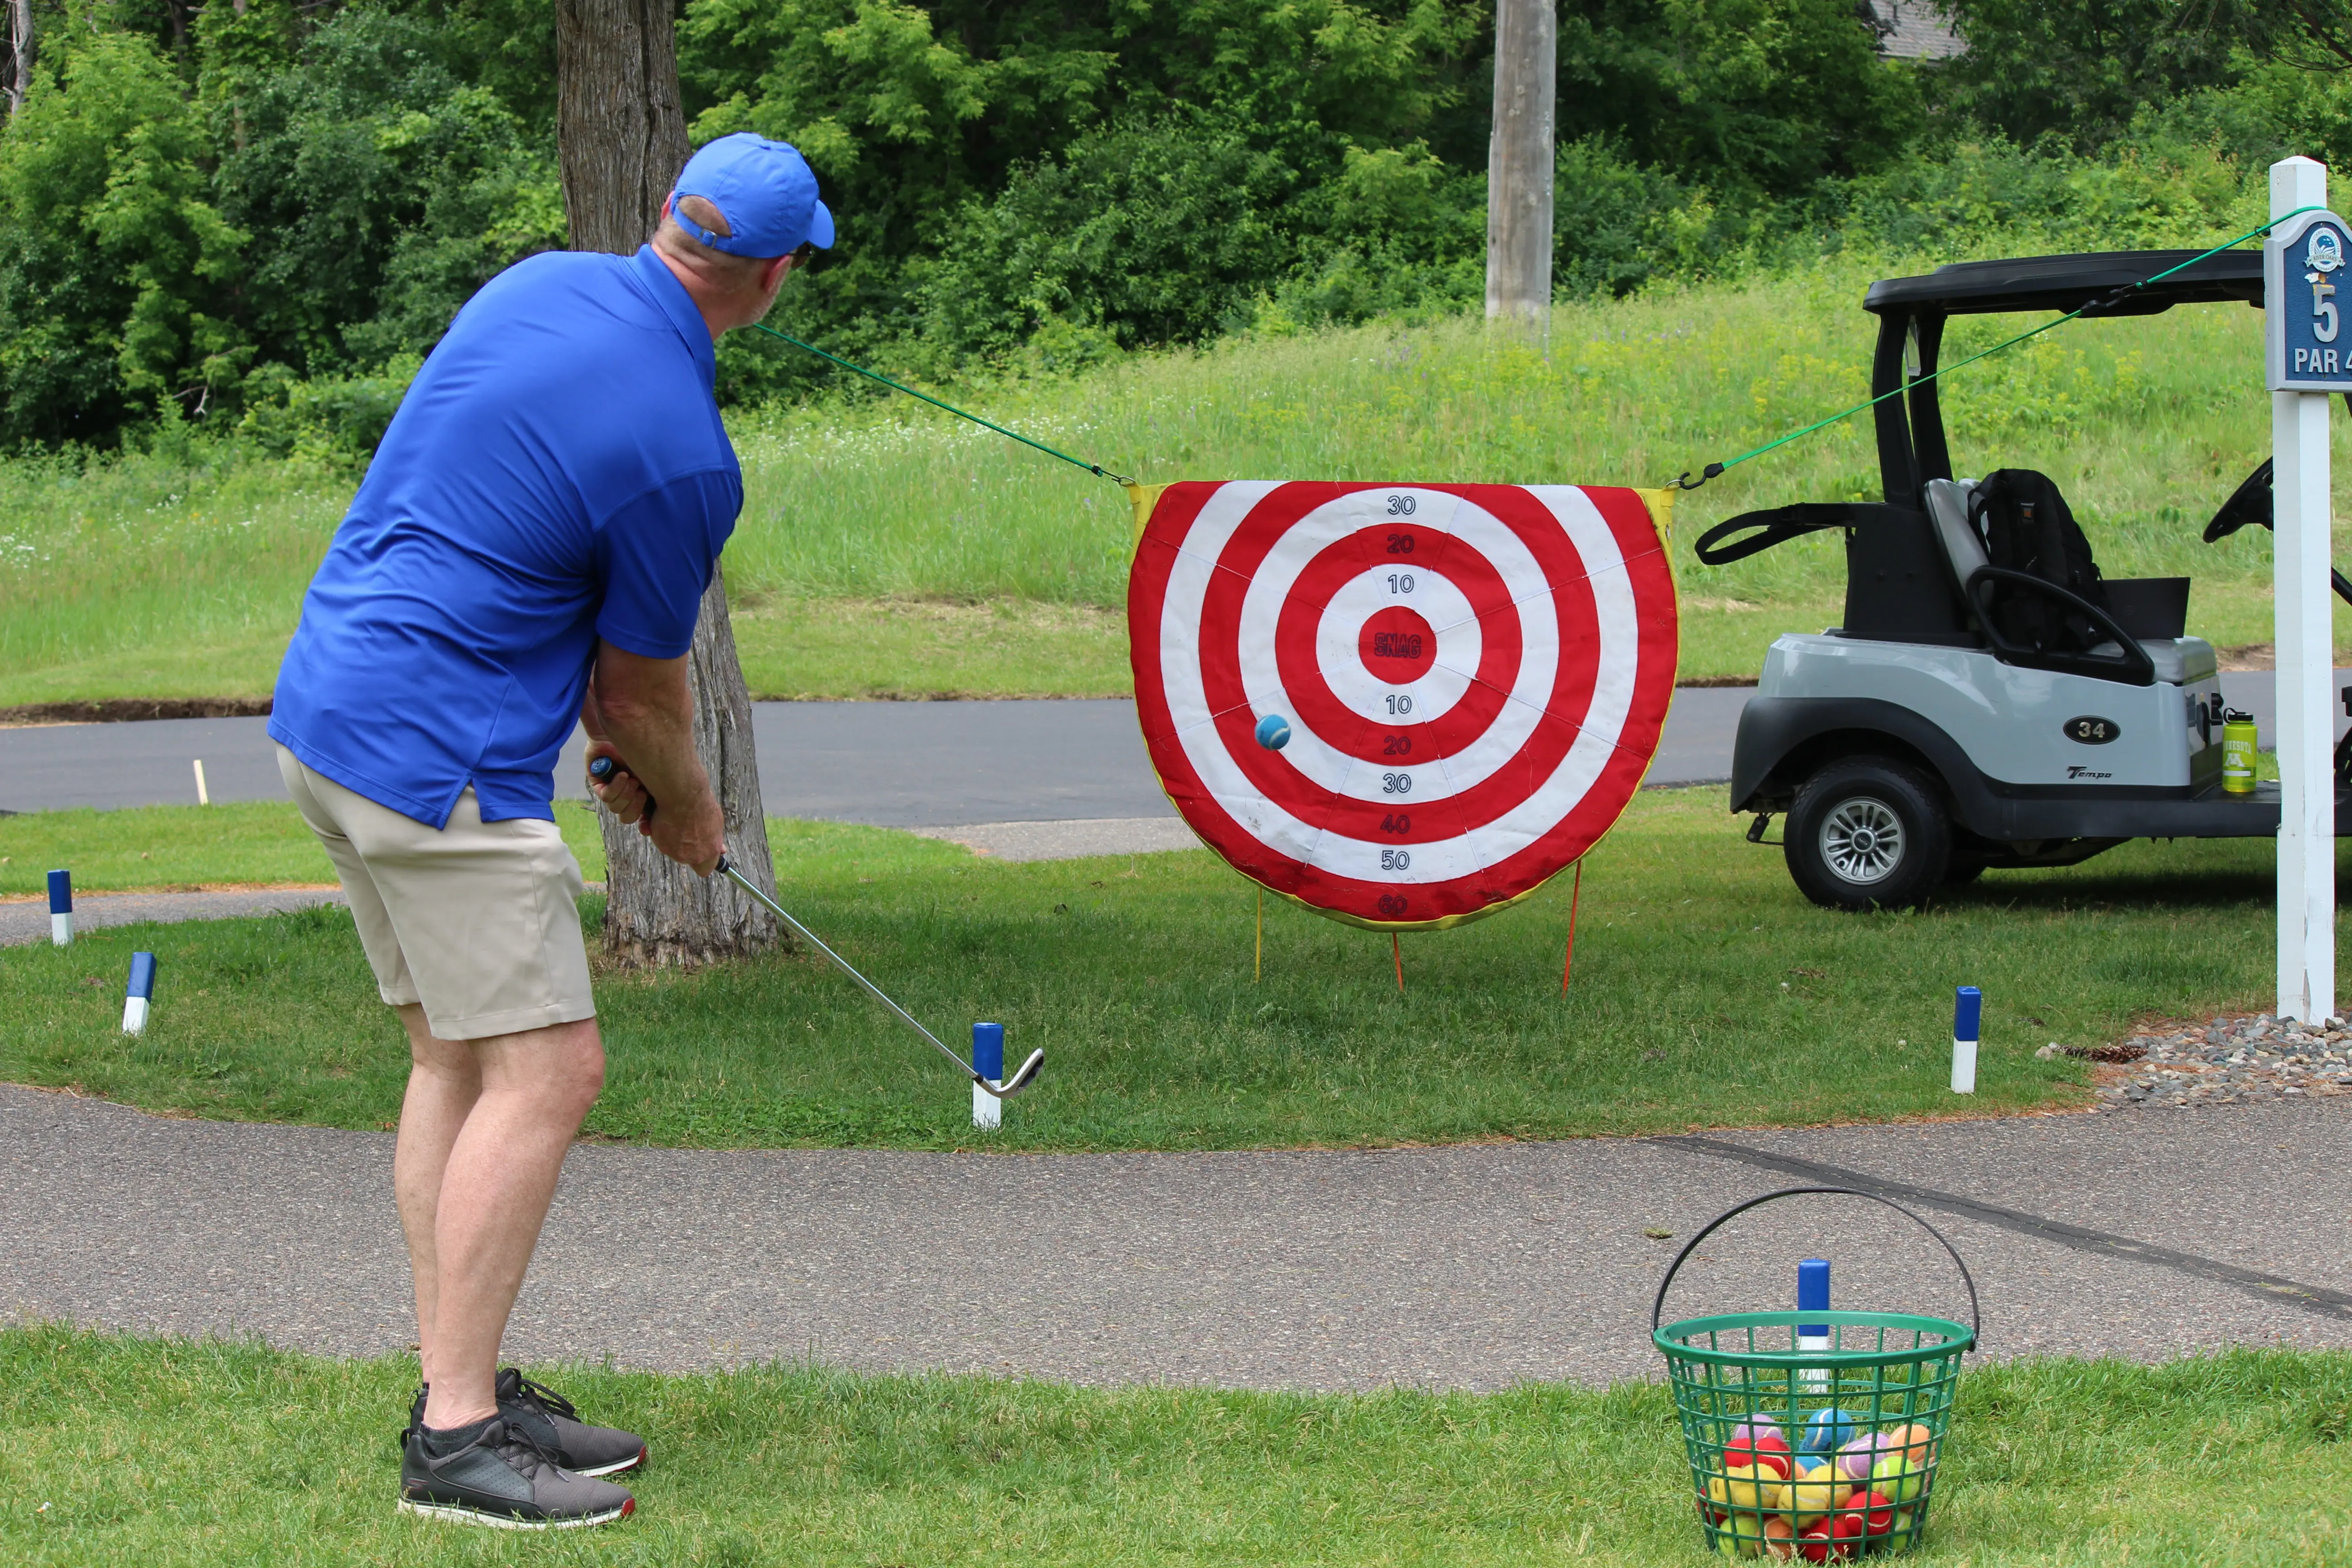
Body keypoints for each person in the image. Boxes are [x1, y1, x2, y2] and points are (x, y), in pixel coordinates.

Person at [267, 133, 833, 1529]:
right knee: (553, 1072)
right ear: (774, 276)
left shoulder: (536, 282)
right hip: (437, 763)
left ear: (662, 219)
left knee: (454, 1059)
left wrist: (639, 767)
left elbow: (568, 627)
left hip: (326, 716)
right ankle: (457, 1440)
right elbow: (637, 696)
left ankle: (456, 1382)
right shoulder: (687, 460)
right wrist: (693, 821)